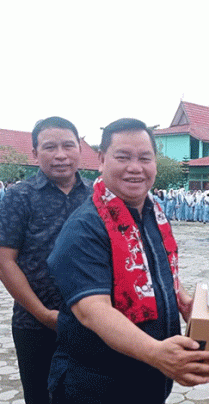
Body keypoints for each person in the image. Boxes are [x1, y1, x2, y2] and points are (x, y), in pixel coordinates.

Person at [47, 118, 209, 403]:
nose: (135, 168)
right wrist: (156, 353)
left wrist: (184, 301)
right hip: (97, 384)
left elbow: (161, 278)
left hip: (148, 380)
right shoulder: (86, 226)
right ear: (101, 160)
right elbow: (93, 310)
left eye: (145, 158)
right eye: (123, 157)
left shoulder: (154, 214)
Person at [0, 117, 93, 404]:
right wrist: (42, 313)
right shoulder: (18, 197)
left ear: (80, 148)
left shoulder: (98, 196)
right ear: (35, 153)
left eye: (68, 145)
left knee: (90, 394)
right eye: (50, 147)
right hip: (35, 323)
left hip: (93, 320)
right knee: (41, 396)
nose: (61, 155)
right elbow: (5, 262)